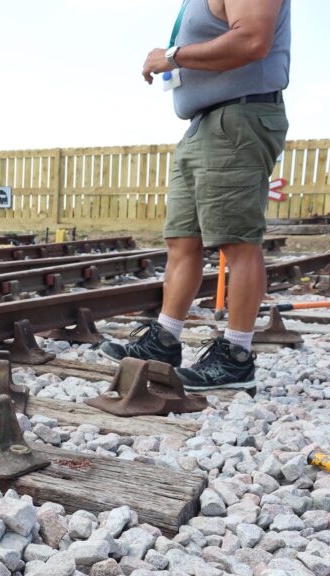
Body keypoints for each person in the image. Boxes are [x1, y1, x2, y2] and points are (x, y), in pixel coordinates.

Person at [100, 0, 290, 391]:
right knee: (182, 240)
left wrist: (173, 55)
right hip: (205, 122)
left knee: (238, 242)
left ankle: (236, 358)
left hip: (237, 118)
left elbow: (252, 40)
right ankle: (164, 341)